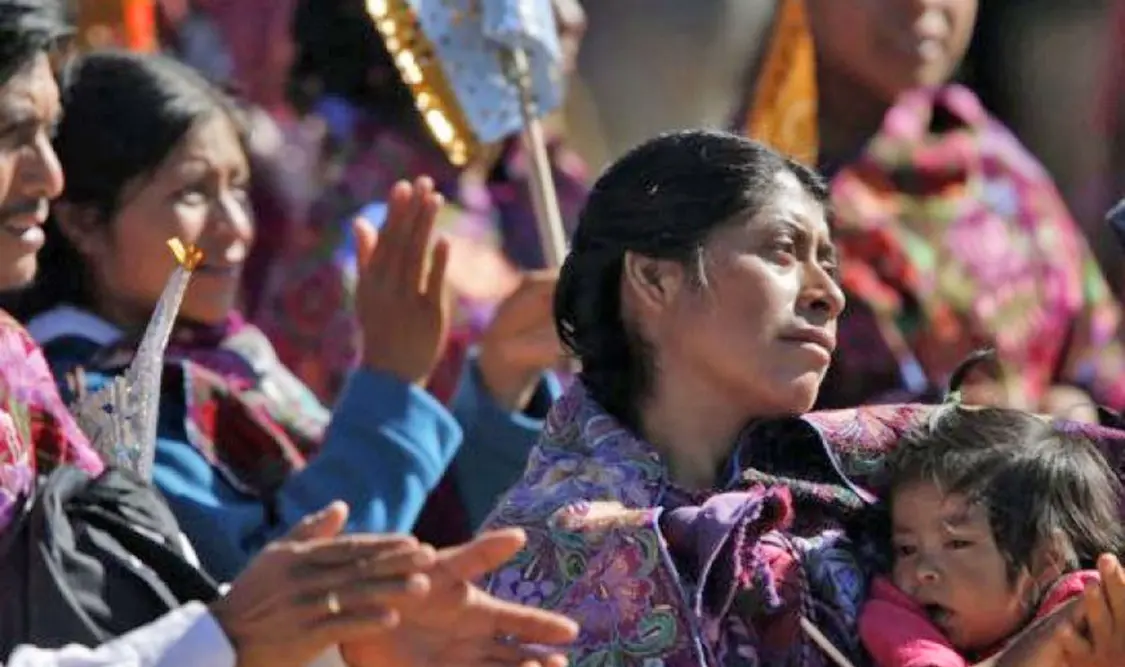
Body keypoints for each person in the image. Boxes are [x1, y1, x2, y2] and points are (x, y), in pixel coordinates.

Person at [0, 2, 579, 665]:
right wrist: (391, 386)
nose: (236, 228)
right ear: (81, 221)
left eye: (239, 188)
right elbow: (254, 597)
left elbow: (419, 528)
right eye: (192, 193)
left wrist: (500, 382)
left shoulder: (231, 363)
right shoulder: (106, 401)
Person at [479, 129, 1125, 666]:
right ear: (654, 278)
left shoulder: (876, 464)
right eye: (783, 251)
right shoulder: (544, 563)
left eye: (829, 262)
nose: (829, 294)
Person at [735, 0, 1125, 420]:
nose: (921, 4)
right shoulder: (743, 200)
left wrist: (1077, 414)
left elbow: (1099, 360)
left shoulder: (992, 161)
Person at [859, 403, 1125, 666]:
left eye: (957, 543)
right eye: (906, 549)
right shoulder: (899, 615)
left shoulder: (1091, 605)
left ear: (1046, 559)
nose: (922, 571)